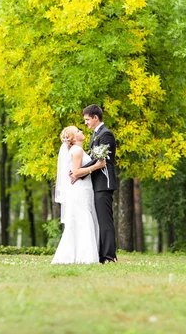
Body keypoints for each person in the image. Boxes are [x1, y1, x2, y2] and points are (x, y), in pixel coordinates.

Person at [71, 104, 119, 264]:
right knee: (99, 220)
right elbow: (93, 158)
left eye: (87, 120)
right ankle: (101, 254)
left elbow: (100, 160)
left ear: (95, 118)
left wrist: (78, 172)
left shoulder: (106, 135)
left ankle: (109, 255)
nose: (85, 123)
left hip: (104, 183)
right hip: (96, 183)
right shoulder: (94, 136)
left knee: (105, 221)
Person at [51, 126, 106, 264]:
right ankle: (86, 257)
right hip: (80, 189)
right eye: (78, 131)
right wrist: (97, 166)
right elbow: (75, 172)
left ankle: (78, 255)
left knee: (80, 219)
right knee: (83, 218)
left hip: (83, 187)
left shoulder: (78, 150)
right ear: (74, 138)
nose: (81, 131)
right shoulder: (77, 150)